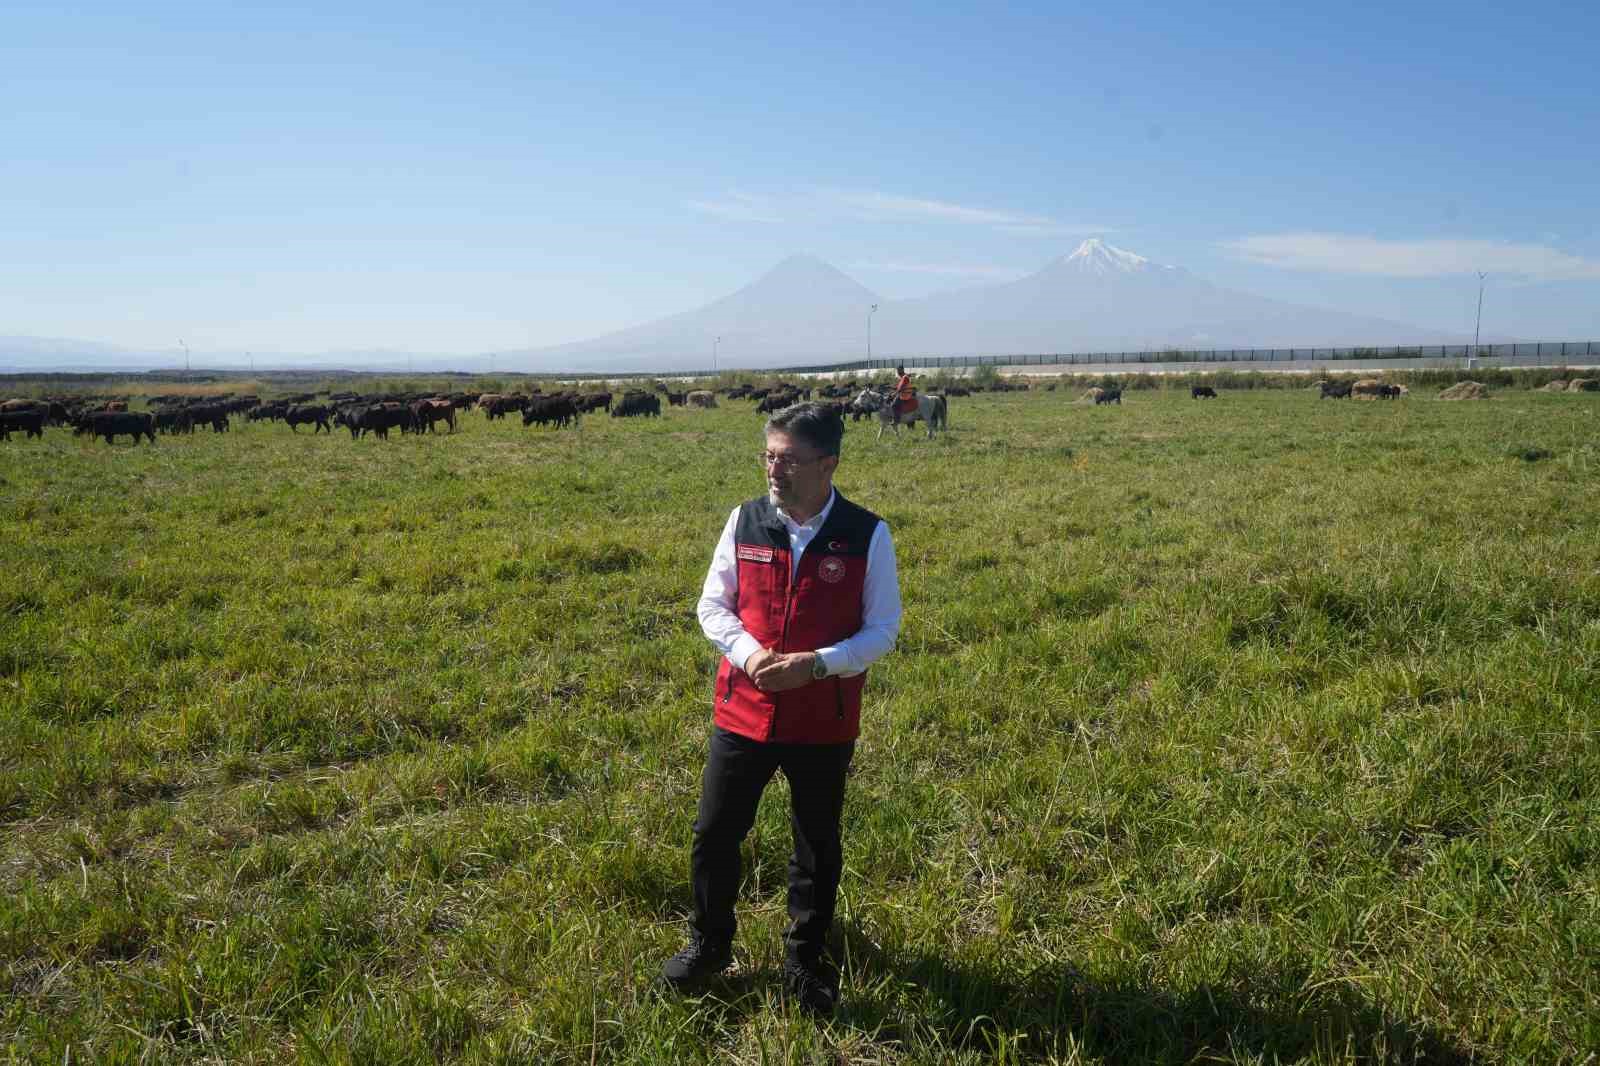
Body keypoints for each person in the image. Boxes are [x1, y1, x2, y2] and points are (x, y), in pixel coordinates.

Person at [662, 401, 902, 1016]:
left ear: (828, 464)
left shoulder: (867, 533)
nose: (774, 469)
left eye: (788, 460)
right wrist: (748, 655)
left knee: (816, 843)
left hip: (824, 720)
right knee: (715, 834)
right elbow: (712, 606)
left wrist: (815, 664)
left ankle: (805, 960)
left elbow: (882, 632)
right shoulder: (743, 522)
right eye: (769, 455)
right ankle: (710, 945)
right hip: (742, 711)